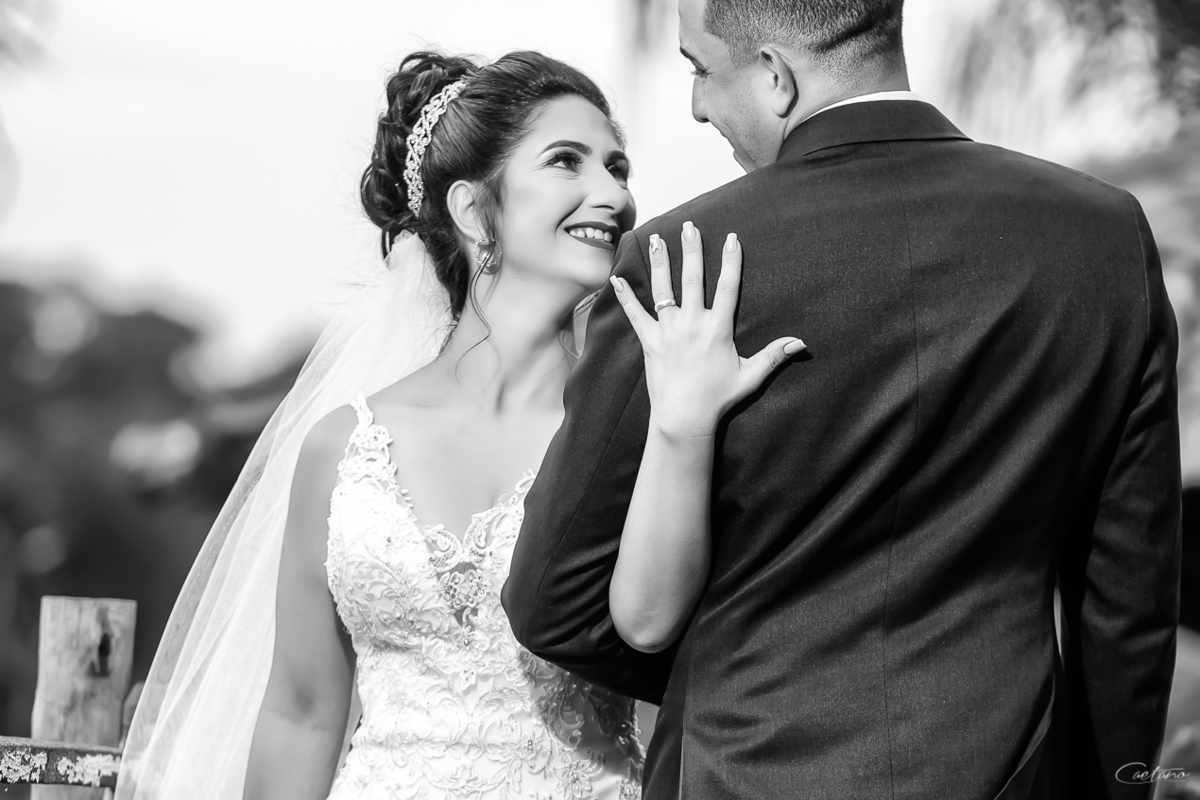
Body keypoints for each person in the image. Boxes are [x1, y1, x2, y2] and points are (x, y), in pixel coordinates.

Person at [502, 0, 1182, 798]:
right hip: (1007, 767)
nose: (696, 106)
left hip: (740, 770)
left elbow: (555, 601)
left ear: (775, 76)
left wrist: (735, 671)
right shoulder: (1102, 236)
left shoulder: (682, 266)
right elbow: (1128, 592)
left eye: (700, 70)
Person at [115, 49, 800, 800]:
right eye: (566, 161)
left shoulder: (637, 427)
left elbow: (657, 626)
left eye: (618, 168)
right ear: (473, 210)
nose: (614, 196)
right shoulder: (340, 449)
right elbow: (302, 714)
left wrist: (684, 426)